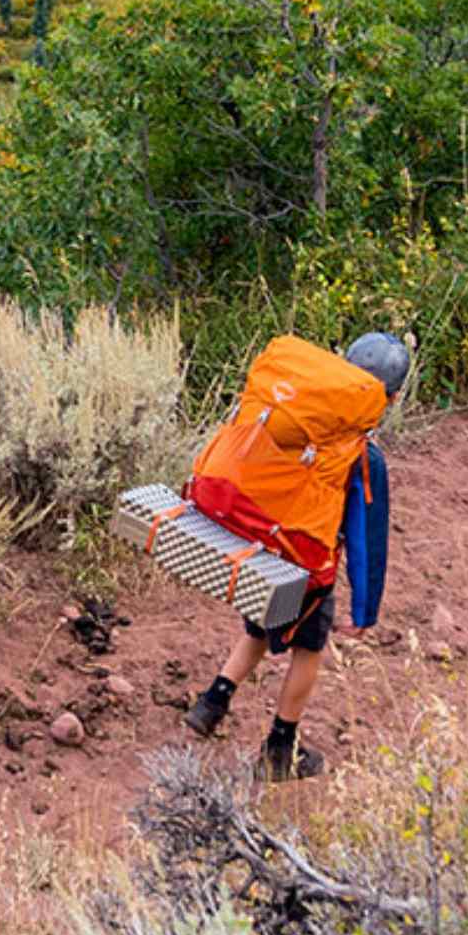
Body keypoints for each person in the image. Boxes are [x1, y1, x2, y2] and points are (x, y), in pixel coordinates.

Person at [184, 332, 407, 779]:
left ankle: (212, 704)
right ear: (393, 397)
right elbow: (367, 542)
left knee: (260, 629)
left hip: (264, 545)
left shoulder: (294, 419)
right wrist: (366, 611)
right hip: (307, 566)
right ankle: (280, 751)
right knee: (309, 649)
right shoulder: (362, 456)